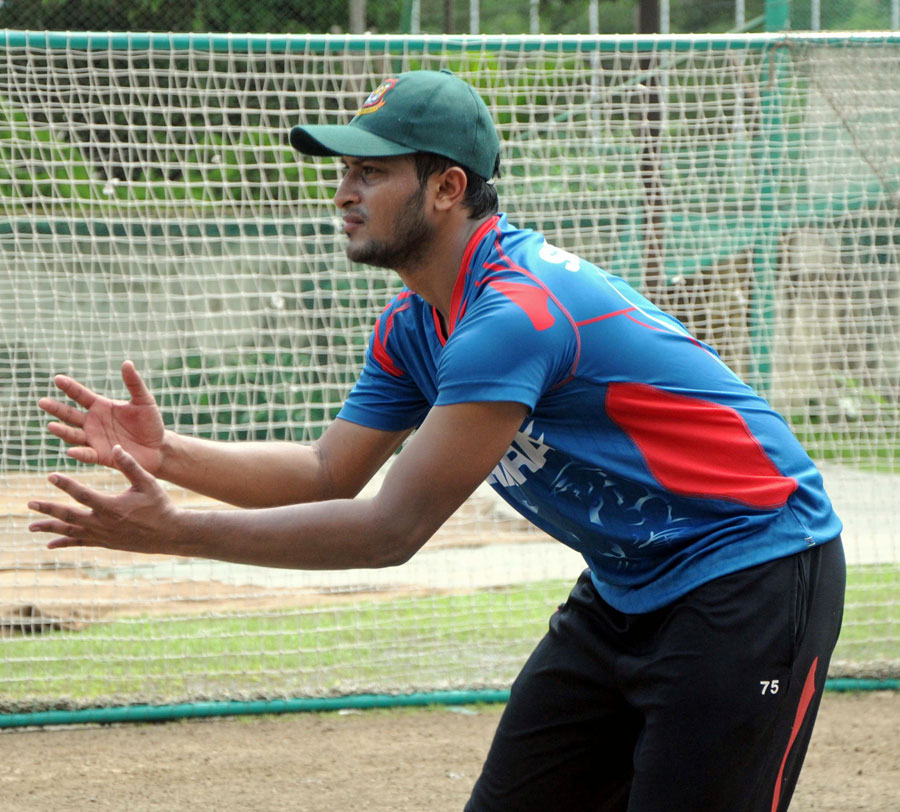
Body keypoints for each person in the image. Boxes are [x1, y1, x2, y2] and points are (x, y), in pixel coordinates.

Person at [28, 69, 845, 812]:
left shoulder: (513, 314)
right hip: (629, 588)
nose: (344, 193)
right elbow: (326, 471)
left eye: (371, 171)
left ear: (448, 187)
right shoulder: (415, 324)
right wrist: (168, 456)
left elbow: (391, 531)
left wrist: (173, 531)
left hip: (754, 575)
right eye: (344, 172)